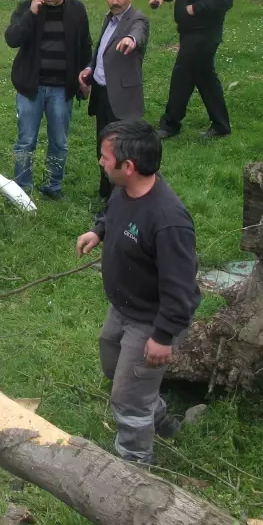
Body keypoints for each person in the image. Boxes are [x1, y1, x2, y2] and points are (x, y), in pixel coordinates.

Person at [76, 120, 200, 464]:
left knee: (128, 398)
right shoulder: (125, 189)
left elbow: (181, 289)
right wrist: (98, 231)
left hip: (152, 319)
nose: (100, 161)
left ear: (127, 166)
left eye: (104, 157)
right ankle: (157, 414)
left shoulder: (168, 221)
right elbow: (114, 213)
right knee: (111, 360)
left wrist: (163, 336)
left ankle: (133, 465)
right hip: (124, 307)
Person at [4, 0, 92, 199]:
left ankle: (53, 186)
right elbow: (12, 39)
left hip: (62, 88)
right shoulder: (27, 8)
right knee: (26, 140)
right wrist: (31, 13)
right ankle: (23, 188)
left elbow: (85, 46)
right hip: (30, 87)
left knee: (59, 142)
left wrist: (86, 77)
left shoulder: (76, 10)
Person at [149, 0, 234, 140]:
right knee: (205, 78)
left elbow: (225, 0)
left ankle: (170, 124)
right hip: (189, 32)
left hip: (205, 33)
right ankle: (221, 126)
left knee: (182, 74)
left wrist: (196, 8)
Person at [79, 0, 149, 198]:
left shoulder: (137, 19)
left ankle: (121, 197)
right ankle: (105, 192)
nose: (115, 1)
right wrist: (90, 69)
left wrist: (131, 39)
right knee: (103, 146)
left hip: (122, 98)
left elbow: (138, 33)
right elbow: (102, 50)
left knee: (120, 151)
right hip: (101, 93)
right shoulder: (109, 19)